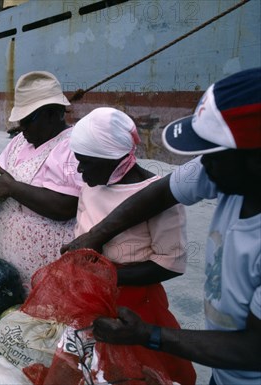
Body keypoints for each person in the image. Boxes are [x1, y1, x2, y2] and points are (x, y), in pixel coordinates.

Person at [62, 68, 261, 385]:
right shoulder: (227, 170)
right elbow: (162, 192)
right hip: (225, 373)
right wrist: (96, 236)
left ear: (254, 159)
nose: (200, 164)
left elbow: (254, 348)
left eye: (211, 155)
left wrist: (146, 334)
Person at [68, 107, 195, 384]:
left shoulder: (160, 198)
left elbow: (170, 265)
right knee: (90, 369)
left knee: (137, 371)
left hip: (136, 307)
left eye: (85, 162)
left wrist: (111, 275)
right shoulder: (92, 183)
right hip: (91, 300)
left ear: (113, 159)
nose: (79, 170)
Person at [0, 71, 82, 288]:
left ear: (54, 113)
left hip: (50, 266)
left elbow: (66, 206)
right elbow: (0, 188)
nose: (20, 128)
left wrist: (13, 188)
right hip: (11, 259)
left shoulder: (72, 147)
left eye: (27, 121)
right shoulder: (19, 142)